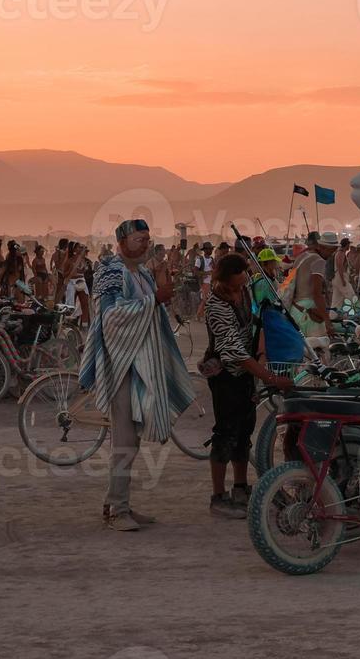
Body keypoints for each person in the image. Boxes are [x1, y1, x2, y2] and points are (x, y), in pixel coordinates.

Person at [80, 219, 194, 532]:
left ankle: (118, 504)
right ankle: (117, 510)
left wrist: (158, 293)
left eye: (147, 239)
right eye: (139, 239)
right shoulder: (110, 271)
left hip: (141, 363)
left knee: (131, 438)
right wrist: (154, 299)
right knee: (125, 439)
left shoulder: (141, 273)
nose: (145, 244)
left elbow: (151, 314)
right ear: (122, 240)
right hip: (119, 365)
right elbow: (111, 316)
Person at [204, 253, 292, 518]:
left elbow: (256, 325)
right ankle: (218, 498)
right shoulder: (216, 305)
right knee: (225, 434)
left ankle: (240, 488)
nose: (246, 276)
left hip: (247, 373)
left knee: (244, 433)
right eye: (241, 272)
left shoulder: (245, 293)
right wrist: (271, 378)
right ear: (228, 276)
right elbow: (234, 353)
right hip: (227, 375)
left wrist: (262, 353)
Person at [288, 231, 338, 340]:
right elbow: (317, 294)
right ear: (323, 247)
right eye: (332, 250)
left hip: (296, 309)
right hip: (309, 312)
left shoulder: (302, 256)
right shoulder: (319, 261)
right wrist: (327, 321)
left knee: (304, 353)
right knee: (320, 350)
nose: (332, 254)